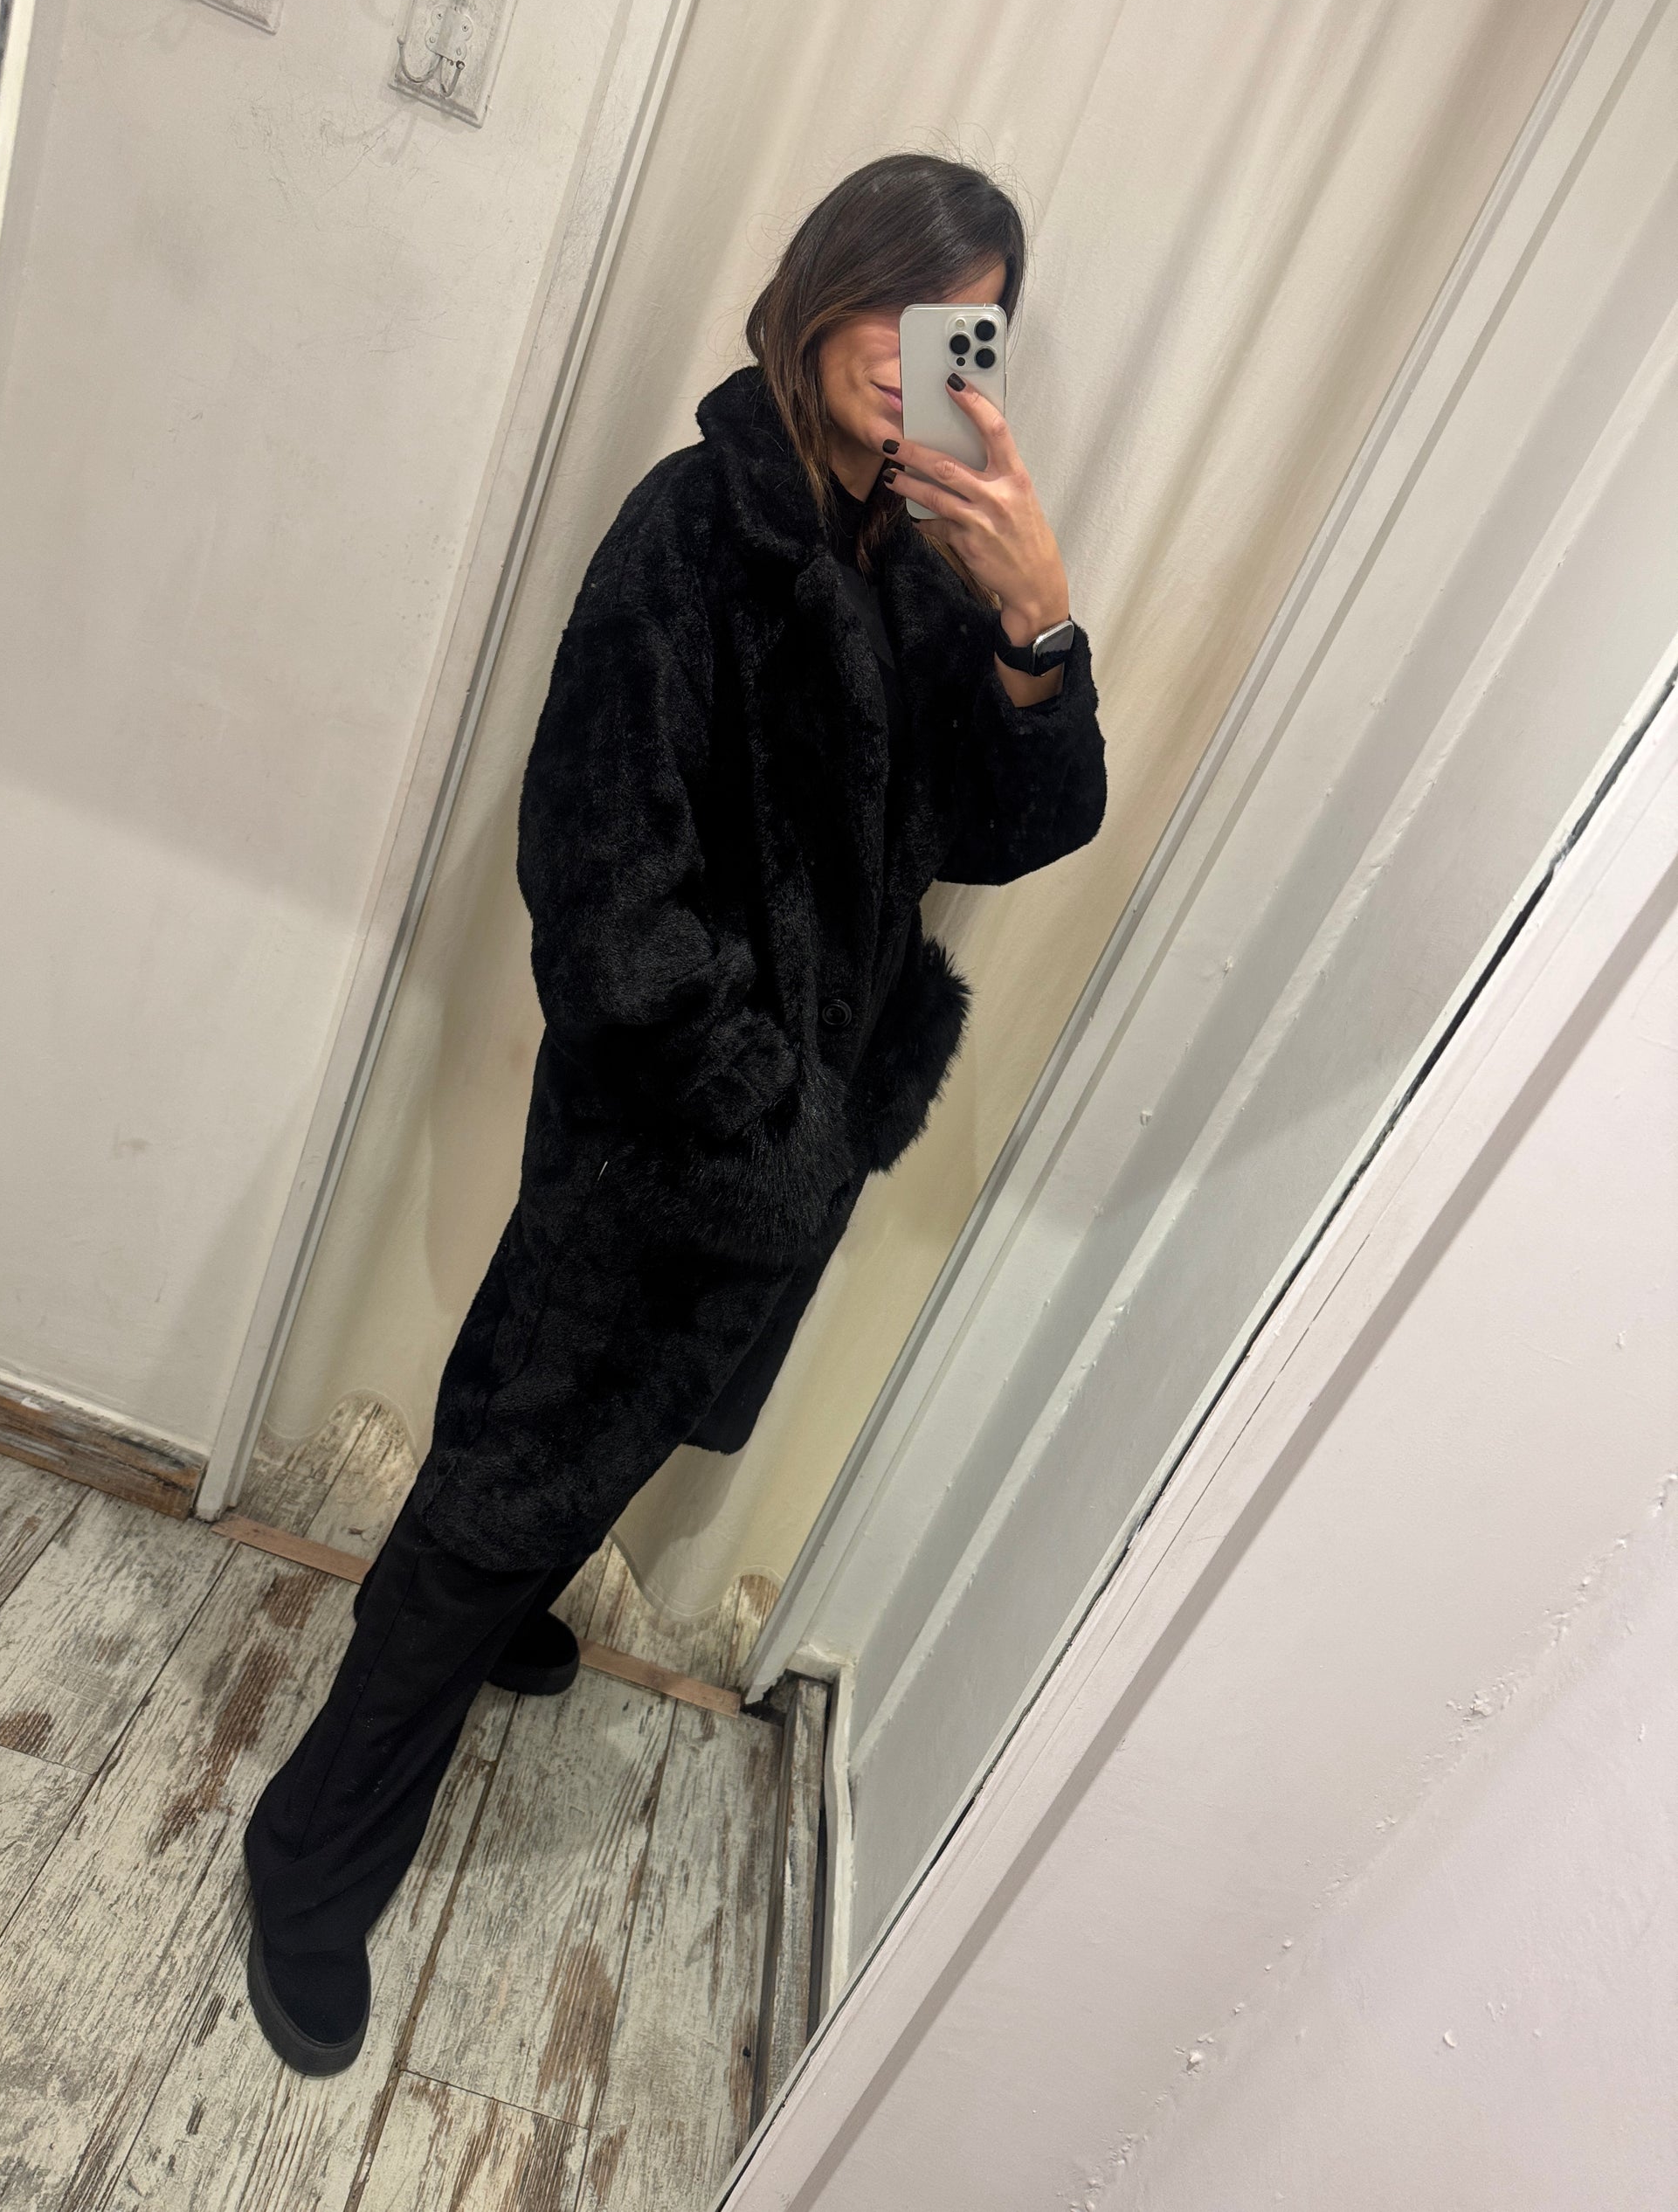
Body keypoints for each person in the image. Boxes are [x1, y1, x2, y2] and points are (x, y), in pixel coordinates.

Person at [242, 151, 1108, 2075]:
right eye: (895, 304)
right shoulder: (692, 534)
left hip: (786, 1148)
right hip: (666, 1140)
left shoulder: (914, 555)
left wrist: (1034, 627)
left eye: (965, 325)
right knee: (502, 1478)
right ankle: (305, 1860)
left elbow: (1004, 828)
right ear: (816, 293)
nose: (919, 353)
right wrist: (765, 1127)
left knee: (601, 1442)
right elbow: (602, 898)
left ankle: (504, 1614)